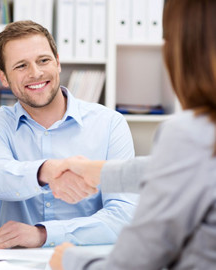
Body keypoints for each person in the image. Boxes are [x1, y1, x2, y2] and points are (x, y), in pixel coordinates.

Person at [49, 0, 216, 268]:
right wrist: (99, 171)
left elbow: (133, 262)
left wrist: (68, 260)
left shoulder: (189, 134)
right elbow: (185, 168)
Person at [0, 20, 138, 249]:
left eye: (43, 60)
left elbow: (124, 216)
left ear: (58, 62)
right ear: (3, 77)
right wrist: (47, 170)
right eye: (21, 66)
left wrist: (43, 234)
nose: (36, 73)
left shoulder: (110, 124)